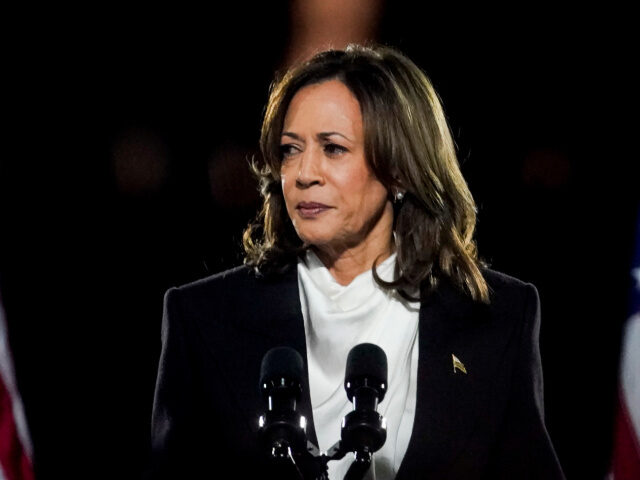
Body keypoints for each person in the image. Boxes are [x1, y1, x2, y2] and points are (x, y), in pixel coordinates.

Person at [148, 44, 565, 479]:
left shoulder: (496, 319)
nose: (305, 173)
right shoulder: (204, 318)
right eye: (291, 150)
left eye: (333, 148)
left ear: (400, 169)